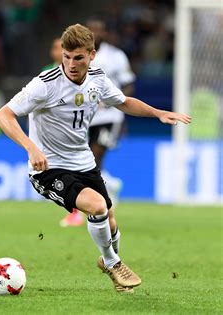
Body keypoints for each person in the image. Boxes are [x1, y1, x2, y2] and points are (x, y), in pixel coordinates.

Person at [0, 24, 191, 293]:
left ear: (92, 55)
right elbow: (3, 115)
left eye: (78, 57)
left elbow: (123, 101)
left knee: (109, 218)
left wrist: (158, 113)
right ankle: (114, 263)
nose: (71, 64)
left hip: (84, 164)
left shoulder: (98, 79)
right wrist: (31, 148)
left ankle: (111, 263)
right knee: (97, 206)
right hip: (49, 169)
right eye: (66, 56)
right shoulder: (44, 84)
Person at [59, 18, 136, 228]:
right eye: (91, 30)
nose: (95, 33)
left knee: (95, 155)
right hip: (86, 117)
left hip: (110, 117)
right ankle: (109, 184)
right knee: (88, 161)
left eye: (99, 30)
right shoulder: (79, 56)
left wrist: (115, 101)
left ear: (104, 33)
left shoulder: (116, 56)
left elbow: (129, 85)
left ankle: (96, 207)